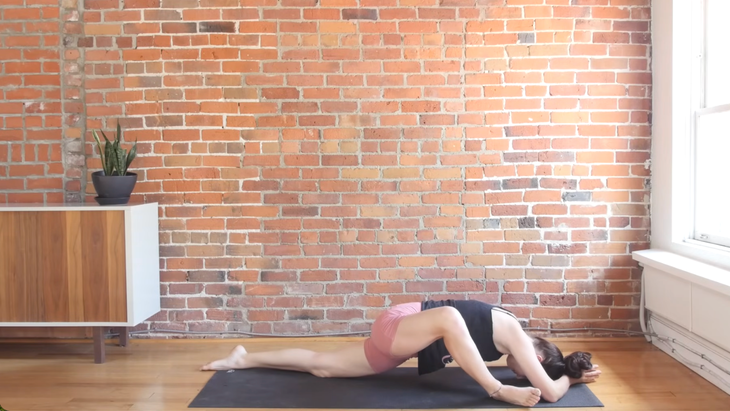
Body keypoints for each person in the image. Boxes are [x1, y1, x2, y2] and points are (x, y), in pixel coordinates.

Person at [201, 299, 601, 407]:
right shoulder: (516, 332)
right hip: (400, 322)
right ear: (540, 355)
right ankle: (495, 391)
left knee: (324, 368)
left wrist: (569, 375)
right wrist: (569, 378)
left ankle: (244, 357)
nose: (524, 373)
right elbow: (548, 393)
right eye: (530, 370)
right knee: (449, 318)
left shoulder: (504, 342)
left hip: (401, 341)